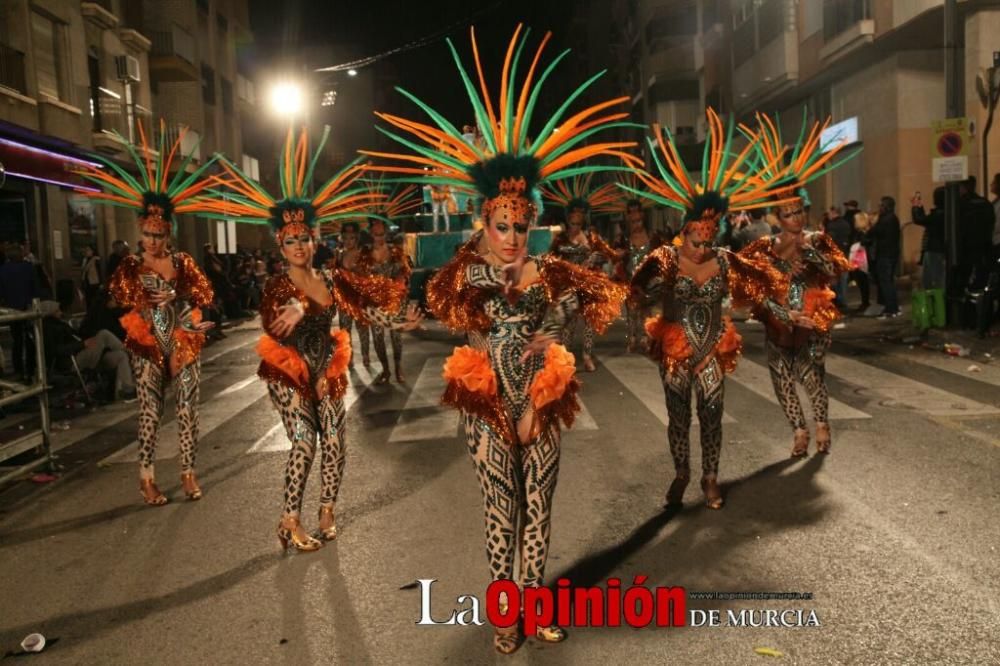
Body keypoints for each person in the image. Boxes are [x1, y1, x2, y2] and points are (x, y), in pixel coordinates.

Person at [365, 25, 635, 654]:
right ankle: (505, 613)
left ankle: (534, 606)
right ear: (484, 218)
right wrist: (418, 324)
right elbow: (429, 310)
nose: (512, 236)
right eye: (501, 224)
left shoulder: (551, 270)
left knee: (539, 510)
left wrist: (555, 342)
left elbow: (605, 298)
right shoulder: (463, 269)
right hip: (486, 405)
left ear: (531, 221)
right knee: (500, 513)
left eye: (520, 225)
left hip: (540, 401)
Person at [204, 129, 421, 552]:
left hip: (327, 368)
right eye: (290, 240)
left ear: (314, 239)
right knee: (304, 440)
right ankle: (289, 519)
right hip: (288, 372)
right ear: (280, 244)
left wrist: (399, 325)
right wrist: (299, 309)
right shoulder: (275, 286)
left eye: (304, 237)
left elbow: (364, 311)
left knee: (336, 442)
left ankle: (326, 509)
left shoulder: (331, 278)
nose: (299, 245)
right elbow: (271, 324)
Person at [629, 108, 795, 509]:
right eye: (695, 241)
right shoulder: (665, 258)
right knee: (679, 417)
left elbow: (757, 290)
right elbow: (637, 292)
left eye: (708, 241)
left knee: (714, 412)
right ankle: (682, 472)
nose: (701, 249)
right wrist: (657, 284)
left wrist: (786, 314)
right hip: (674, 346)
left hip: (713, 347)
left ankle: (710, 477)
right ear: (684, 231)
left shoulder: (723, 260)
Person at [76, 123, 219, 506]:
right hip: (146, 345)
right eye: (149, 233)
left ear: (168, 233)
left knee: (188, 409)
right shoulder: (129, 266)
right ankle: (147, 478)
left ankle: (188, 473)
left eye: (160, 233)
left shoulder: (184, 262)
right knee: (151, 413)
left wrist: (183, 304)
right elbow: (114, 302)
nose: (154, 240)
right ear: (141, 232)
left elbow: (205, 295)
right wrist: (143, 300)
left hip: (183, 341)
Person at [738, 112, 855, 457]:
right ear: (778, 216)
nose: (796, 218)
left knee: (812, 376)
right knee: (782, 380)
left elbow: (838, 270)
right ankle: (799, 432)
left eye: (799, 211)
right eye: (788, 213)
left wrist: (812, 255)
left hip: (811, 319)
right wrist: (777, 310)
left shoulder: (817, 238)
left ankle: (821, 423)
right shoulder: (765, 246)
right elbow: (749, 283)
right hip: (778, 320)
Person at [543, 179, 621, 371]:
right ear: (568, 218)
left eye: (579, 219)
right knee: (568, 324)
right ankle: (565, 356)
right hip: (569, 286)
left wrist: (596, 258)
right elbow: (550, 261)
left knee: (589, 323)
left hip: (587, 286)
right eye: (573, 219)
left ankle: (586, 356)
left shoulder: (592, 237)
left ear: (584, 218)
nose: (576, 223)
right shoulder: (560, 238)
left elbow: (609, 254)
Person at [357, 219, 413, 382]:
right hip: (375, 302)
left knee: (396, 335)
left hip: (395, 300)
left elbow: (405, 271)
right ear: (370, 234)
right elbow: (361, 277)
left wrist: (399, 284)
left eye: (382, 234)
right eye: (376, 235)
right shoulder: (365, 254)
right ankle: (386, 370)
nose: (379, 238)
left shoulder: (395, 251)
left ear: (387, 233)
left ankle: (398, 367)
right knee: (377, 336)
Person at [0, 243, 37, 381]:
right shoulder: (29, 268)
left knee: (16, 340)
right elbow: (35, 287)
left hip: (11, 309)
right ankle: (31, 368)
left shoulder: (2, 270)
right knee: (30, 339)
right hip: (28, 307)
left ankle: (19, 370)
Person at [869, 196, 901, 318]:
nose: (879, 208)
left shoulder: (886, 220)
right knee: (888, 281)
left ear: (886, 207)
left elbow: (875, 232)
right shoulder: (892, 219)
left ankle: (891, 308)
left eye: (881, 206)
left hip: (885, 255)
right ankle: (893, 307)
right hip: (891, 254)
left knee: (886, 282)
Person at [912, 188, 946, 290]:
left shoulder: (939, 214)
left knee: (933, 280)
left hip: (935, 249)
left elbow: (920, 219)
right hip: (937, 249)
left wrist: (916, 206)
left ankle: (937, 302)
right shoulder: (944, 212)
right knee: (935, 279)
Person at [823, 206, 852, 310]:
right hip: (844, 254)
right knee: (843, 279)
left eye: (829, 213)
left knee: (833, 279)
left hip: (834, 256)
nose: (828, 215)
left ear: (834, 212)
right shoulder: (846, 224)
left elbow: (828, 240)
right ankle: (844, 301)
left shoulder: (832, 225)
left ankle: (837, 302)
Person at [81, 245, 103, 309]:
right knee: (88, 300)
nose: (86, 251)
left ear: (92, 251)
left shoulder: (96, 259)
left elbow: (100, 271)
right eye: (85, 250)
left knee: (94, 300)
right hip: (87, 282)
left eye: (88, 250)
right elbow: (83, 271)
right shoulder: (85, 260)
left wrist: (101, 283)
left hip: (94, 282)